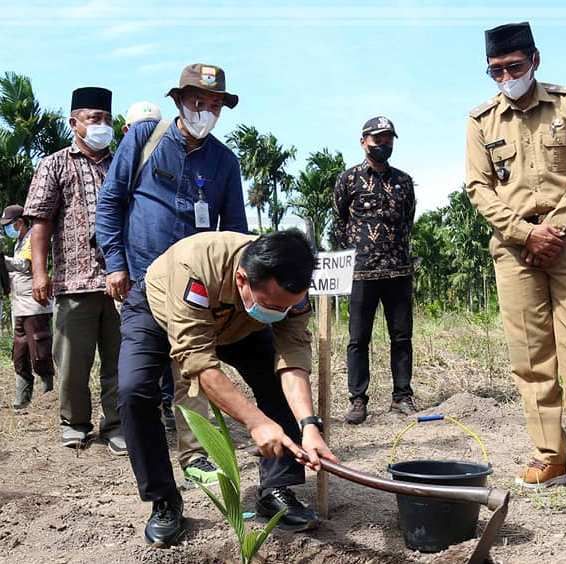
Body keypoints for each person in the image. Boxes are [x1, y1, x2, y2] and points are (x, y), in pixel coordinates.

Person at [465, 22, 566, 496]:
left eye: (513, 66)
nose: (505, 77)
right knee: (530, 356)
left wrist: (555, 227)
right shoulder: (480, 120)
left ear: (535, 60)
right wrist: (526, 232)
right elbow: (479, 188)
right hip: (514, 249)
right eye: (495, 71)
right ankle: (550, 457)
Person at [117, 229, 336, 547]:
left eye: (285, 308)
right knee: (133, 391)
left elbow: (292, 360)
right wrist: (256, 422)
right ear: (243, 280)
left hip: (241, 325)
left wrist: (309, 426)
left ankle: (276, 490)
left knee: (274, 384)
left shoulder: (289, 295)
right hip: (158, 312)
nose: (279, 313)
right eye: (272, 305)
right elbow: (199, 364)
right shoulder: (195, 267)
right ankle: (164, 501)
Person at [96, 63, 249, 485]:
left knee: (191, 371)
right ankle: (152, 471)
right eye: (199, 101)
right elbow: (110, 203)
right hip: (143, 284)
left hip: (194, 289)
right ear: (179, 101)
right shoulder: (146, 138)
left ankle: (195, 453)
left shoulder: (224, 162)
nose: (207, 111)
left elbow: (235, 231)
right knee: (136, 385)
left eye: (215, 104)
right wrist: (115, 264)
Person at [23, 87, 126, 455]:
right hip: (73, 282)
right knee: (72, 364)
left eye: (107, 120)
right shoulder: (54, 164)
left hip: (119, 282)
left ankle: (116, 425)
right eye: (94, 119)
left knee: (118, 362)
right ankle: (75, 423)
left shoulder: (121, 163)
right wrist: (40, 273)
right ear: (74, 123)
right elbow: (40, 223)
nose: (102, 126)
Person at [333, 116, 417, 425]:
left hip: (398, 272)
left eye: (388, 139)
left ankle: (402, 396)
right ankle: (357, 400)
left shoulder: (404, 181)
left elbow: (408, 220)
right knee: (358, 339)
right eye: (376, 139)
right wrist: (355, 255)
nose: (382, 144)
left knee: (402, 337)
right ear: (363, 141)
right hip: (361, 274)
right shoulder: (348, 180)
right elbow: (339, 223)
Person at [118, 100, 176, 433]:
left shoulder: (167, 162)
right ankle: (145, 413)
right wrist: (117, 267)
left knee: (173, 348)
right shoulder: (123, 166)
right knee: (140, 351)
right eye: (139, 128)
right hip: (134, 275)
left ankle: (168, 407)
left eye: (152, 128)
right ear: (126, 131)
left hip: (172, 275)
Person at [1, 204, 55, 410]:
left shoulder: (34, 236)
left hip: (34, 304)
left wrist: (2, 261)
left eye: (10, 225)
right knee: (20, 352)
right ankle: (23, 395)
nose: (8, 229)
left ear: (20, 222)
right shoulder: (19, 241)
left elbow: (25, 265)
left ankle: (48, 390)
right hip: (19, 305)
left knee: (38, 349)